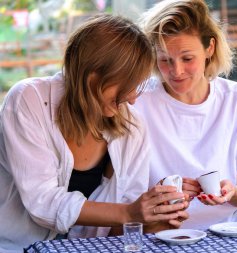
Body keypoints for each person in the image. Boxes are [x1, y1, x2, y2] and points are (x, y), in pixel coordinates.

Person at [0, 14, 188, 253]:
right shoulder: (29, 100)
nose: (132, 98)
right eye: (128, 85)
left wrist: (155, 218)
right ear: (93, 79)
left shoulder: (132, 128)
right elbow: (43, 204)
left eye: (138, 86)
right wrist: (128, 212)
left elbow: (120, 230)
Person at [134, 0, 237, 230]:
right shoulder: (138, 101)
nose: (176, 71)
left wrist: (232, 192)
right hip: (165, 222)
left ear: (209, 48)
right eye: (165, 60)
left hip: (236, 218)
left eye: (187, 58)